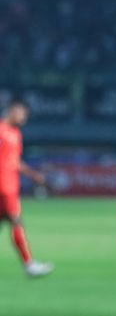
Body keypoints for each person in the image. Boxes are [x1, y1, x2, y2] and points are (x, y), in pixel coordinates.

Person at [0, 98, 53, 277]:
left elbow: (14, 162)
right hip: (4, 186)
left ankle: (29, 264)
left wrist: (34, 175)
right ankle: (29, 264)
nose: (24, 117)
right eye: (21, 113)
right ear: (12, 111)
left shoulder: (16, 133)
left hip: (10, 184)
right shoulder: (1, 131)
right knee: (16, 220)